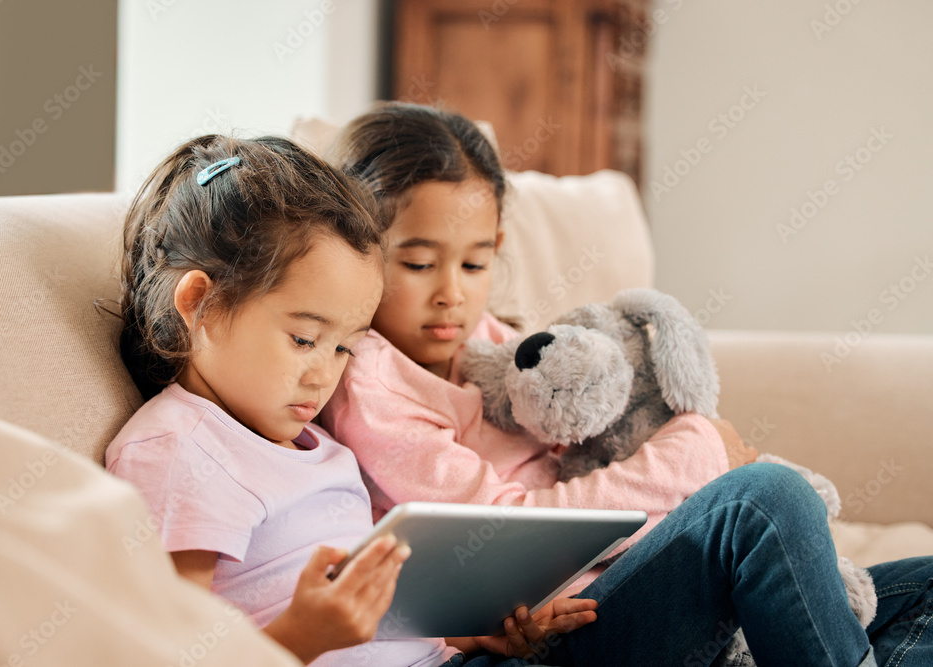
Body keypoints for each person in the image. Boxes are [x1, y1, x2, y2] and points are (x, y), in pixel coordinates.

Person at [320, 102, 933, 665]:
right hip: (558, 633)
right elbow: (502, 530)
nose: (451, 291)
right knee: (761, 501)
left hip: (625, 584)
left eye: (475, 263)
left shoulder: (493, 343)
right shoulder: (372, 385)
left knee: (924, 589)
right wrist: (689, 457)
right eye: (420, 264)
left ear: (498, 248)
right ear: (360, 251)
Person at [105, 134, 597, 667]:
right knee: (705, 537)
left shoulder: (315, 446)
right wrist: (303, 636)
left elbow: (382, 626)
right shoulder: (181, 451)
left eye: (345, 347)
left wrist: (474, 633)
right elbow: (163, 654)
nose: (325, 375)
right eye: (302, 339)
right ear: (200, 303)